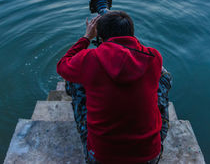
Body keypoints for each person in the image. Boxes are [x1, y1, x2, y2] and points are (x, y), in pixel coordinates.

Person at [57, 11, 172, 164]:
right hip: (150, 156)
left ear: (100, 36)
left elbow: (62, 66)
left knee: (73, 80)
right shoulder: (153, 56)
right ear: (132, 34)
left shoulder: (88, 59)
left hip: (101, 158)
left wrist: (86, 37)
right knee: (163, 76)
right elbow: (133, 51)